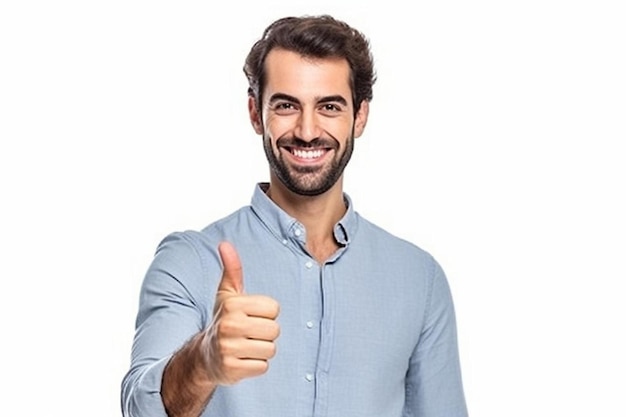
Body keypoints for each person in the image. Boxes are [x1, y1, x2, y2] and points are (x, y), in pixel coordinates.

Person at [121, 14, 468, 417]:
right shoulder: (190, 261)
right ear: (256, 113)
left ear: (360, 116)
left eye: (329, 106)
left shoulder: (418, 278)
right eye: (286, 105)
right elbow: (138, 408)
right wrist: (203, 360)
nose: (307, 130)